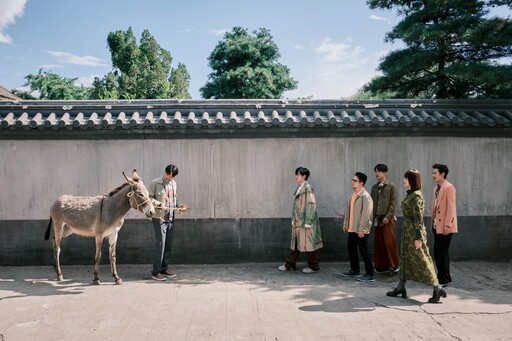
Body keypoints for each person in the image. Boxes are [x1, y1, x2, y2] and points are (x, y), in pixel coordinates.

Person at [387, 169, 447, 303]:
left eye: (406, 178)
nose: (403, 180)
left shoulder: (416, 196)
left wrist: (418, 237)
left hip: (415, 233)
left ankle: (437, 288)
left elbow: (418, 218)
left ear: (412, 181)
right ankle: (401, 287)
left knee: (422, 260)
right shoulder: (410, 195)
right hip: (408, 232)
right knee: (406, 258)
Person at [278, 167, 323, 273]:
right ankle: (290, 264)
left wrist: (308, 221)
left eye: (298, 174)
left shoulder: (307, 188)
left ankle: (314, 266)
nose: (296, 176)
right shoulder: (299, 188)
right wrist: (294, 219)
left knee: (308, 245)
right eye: (296, 174)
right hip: (299, 222)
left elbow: (311, 204)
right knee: (296, 244)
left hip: (305, 222)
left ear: (304, 176)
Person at [148, 164, 187, 281]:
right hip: (159, 218)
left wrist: (180, 206)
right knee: (161, 245)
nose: (168, 178)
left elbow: (175, 199)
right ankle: (155, 272)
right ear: (164, 172)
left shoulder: (174, 184)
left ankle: (164, 269)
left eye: (170, 177)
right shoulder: (155, 183)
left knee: (168, 245)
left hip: (171, 218)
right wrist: (160, 204)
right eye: (167, 175)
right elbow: (149, 198)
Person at [342, 172, 375, 282]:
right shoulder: (353, 195)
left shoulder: (365, 196)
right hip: (352, 228)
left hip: (360, 229)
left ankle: (370, 274)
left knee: (364, 251)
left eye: (355, 180)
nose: (352, 181)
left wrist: (362, 229)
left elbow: (366, 214)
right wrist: (345, 224)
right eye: (352, 179)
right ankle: (355, 270)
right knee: (351, 248)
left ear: (361, 183)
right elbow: (348, 211)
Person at [431, 164, 458, 287]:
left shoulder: (449, 187)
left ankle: (445, 279)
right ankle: (441, 276)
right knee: (437, 252)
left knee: (442, 252)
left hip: (445, 226)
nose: (433, 175)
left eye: (435, 173)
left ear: (443, 174)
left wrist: (448, 225)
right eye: (433, 173)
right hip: (437, 225)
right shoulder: (437, 188)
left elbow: (451, 208)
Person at [371, 164, 400, 274]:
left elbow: (393, 203)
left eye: (379, 171)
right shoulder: (374, 187)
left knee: (389, 241)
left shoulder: (391, 186)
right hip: (377, 218)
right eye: (376, 171)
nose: (377, 173)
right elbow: (372, 203)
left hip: (387, 218)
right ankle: (382, 265)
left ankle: (395, 263)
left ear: (385, 173)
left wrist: (388, 217)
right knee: (379, 242)